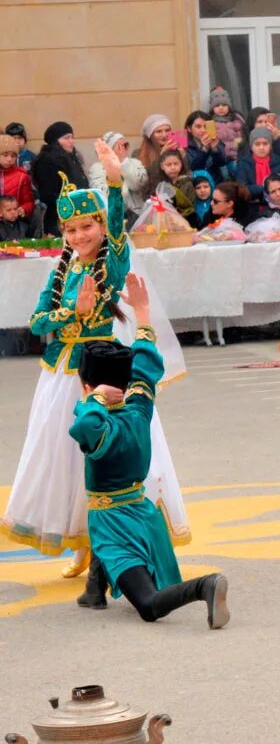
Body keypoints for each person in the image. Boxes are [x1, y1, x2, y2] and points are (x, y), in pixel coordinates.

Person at [2, 141, 190, 576]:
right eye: (71, 229)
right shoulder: (60, 271)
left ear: (100, 226)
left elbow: (120, 226)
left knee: (106, 456)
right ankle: (83, 544)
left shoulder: (115, 260)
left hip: (103, 372)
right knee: (65, 457)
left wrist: (113, 178)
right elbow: (36, 322)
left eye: (87, 227)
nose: (79, 236)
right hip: (60, 375)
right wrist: (73, 312)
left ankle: (114, 543)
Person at [71, 275, 229, 624]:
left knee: (148, 604)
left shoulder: (100, 427)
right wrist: (142, 313)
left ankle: (203, 586)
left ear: (85, 386)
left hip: (114, 523)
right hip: (143, 514)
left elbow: (83, 426)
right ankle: (94, 590)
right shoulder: (140, 406)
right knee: (104, 538)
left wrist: (94, 399)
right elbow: (144, 364)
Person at [32, 122, 89, 236]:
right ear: (55, 141)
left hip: (79, 212)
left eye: (72, 137)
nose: (71, 141)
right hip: (59, 217)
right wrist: (70, 202)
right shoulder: (46, 161)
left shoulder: (72, 158)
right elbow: (48, 194)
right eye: (66, 138)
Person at [86, 132, 149, 218]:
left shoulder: (135, 163)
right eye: (119, 146)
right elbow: (104, 194)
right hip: (113, 216)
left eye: (125, 145)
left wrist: (123, 163)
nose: (123, 149)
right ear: (109, 148)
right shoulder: (97, 169)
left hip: (139, 214)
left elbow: (138, 185)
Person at [235, 127, 280, 197]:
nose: (261, 147)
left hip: (276, 202)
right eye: (257, 144)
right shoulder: (244, 163)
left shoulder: (276, 162)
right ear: (251, 147)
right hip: (252, 204)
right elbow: (242, 188)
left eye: (265, 144)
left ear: (270, 146)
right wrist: (266, 188)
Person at [182, 110, 229, 183]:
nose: (203, 130)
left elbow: (222, 162)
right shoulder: (185, 146)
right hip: (195, 184)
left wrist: (215, 149)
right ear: (189, 129)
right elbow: (192, 168)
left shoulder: (215, 140)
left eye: (205, 126)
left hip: (215, 182)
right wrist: (204, 150)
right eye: (198, 127)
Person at [0, 133, 36, 218]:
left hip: (12, 224)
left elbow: (29, 202)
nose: (9, 159)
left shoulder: (21, 176)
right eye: (5, 155)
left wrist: (24, 209)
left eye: (13, 156)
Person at [207, 86, 244, 162]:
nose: (221, 108)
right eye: (217, 105)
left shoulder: (237, 119)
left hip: (237, 157)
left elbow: (243, 138)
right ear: (212, 107)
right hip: (219, 159)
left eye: (224, 105)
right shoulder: (209, 122)